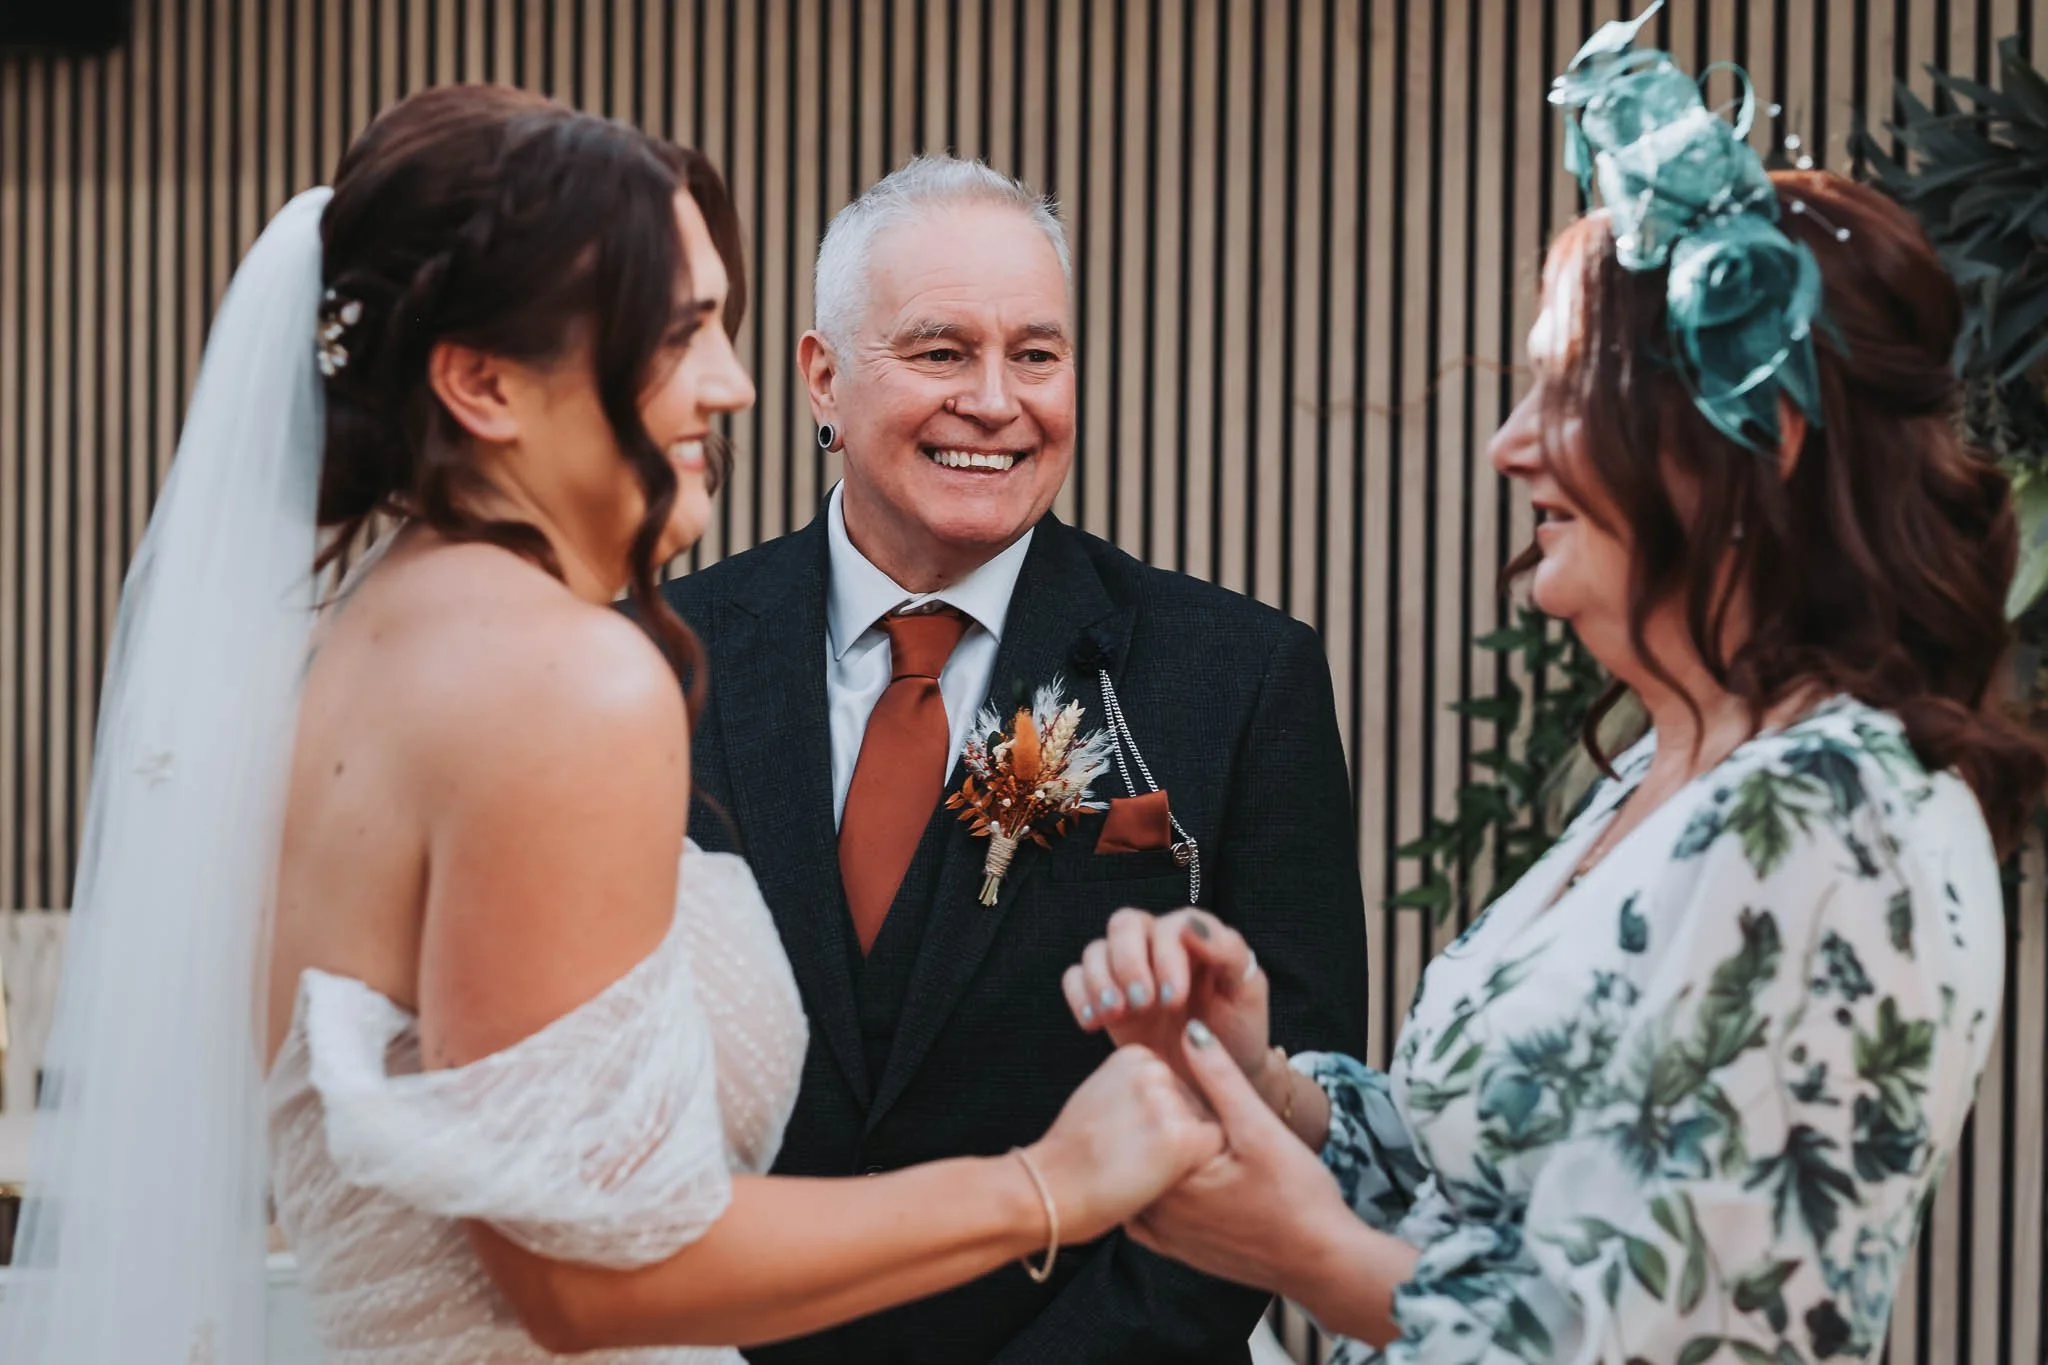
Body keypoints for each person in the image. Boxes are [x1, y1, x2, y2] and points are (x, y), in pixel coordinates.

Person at [0, 86, 1224, 1364]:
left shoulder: (353, 639)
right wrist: (1048, 1184)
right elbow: (581, 1287)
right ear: (481, 382)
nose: (730, 384)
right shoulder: (568, 676)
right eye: (676, 331)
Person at [1060, 13, 2046, 1365]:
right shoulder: (1662, 770)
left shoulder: (1842, 817)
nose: (1506, 444)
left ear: (1748, 440)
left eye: (1561, 392)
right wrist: (1266, 1082)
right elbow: (1483, 1191)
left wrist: (1306, 1256)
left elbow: (1662, 1335)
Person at [660, 154, 1371, 1364]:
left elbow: (1280, 1103)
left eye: (1034, 355)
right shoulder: (661, 660)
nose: (995, 401)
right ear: (821, 379)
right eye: (940, 351)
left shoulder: (1241, 677)